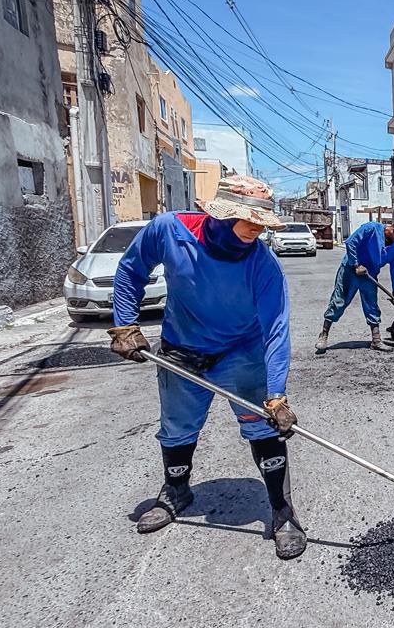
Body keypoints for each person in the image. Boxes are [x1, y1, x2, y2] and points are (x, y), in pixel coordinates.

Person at [108, 175, 306, 560]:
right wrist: (124, 323)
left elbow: (277, 330)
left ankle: (282, 512)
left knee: (262, 427)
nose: (257, 229)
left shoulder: (263, 265)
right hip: (182, 350)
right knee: (177, 428)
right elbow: (131, 271)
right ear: (223, 213)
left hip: (241, 353)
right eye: (249, 219)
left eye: (263, 222)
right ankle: (176, 492)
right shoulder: (170, 230)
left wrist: (276, 394)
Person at [317, 219, 394, 352]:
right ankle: (324, 334)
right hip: (350, 270)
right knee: (339, 301)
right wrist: (356, 264)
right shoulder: (371, 229)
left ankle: (376, 340)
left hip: (369, 274)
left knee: (371, 305)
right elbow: (350, 242)